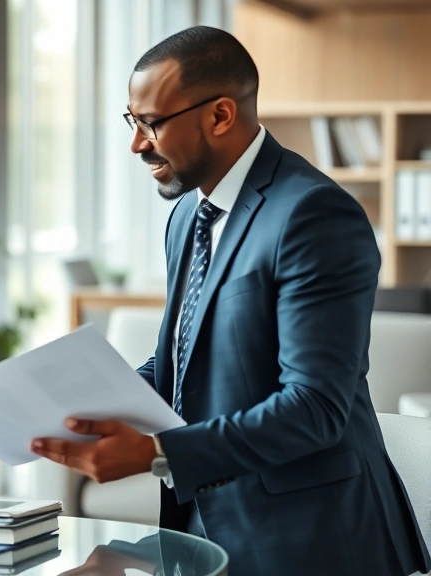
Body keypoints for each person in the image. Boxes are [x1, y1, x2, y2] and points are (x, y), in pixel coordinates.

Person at [31, 26, 430, 576]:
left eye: (151, 123)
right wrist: (52, 400)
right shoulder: (185, 220)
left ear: (220, 115)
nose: (137, 143)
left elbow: (316, 407)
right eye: (133, 120)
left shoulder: (314, 215)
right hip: (208, 533)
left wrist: (157, 453)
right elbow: (178, 367)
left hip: (314, 541)